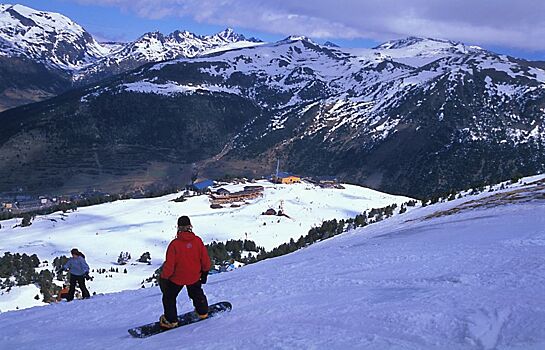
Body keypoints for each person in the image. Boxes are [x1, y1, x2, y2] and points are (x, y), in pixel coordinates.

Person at [159, 215, 211, 329]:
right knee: (196, 293)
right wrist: (205, 273)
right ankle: (203, 313)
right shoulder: (197, 240)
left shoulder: (174, 244)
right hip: (194, 276)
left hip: (177, 278)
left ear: (178, 227)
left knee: (169, 297)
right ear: (190, 226)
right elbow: (205, 260)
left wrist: (163, 278)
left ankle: (171, 321)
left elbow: (169, 266)